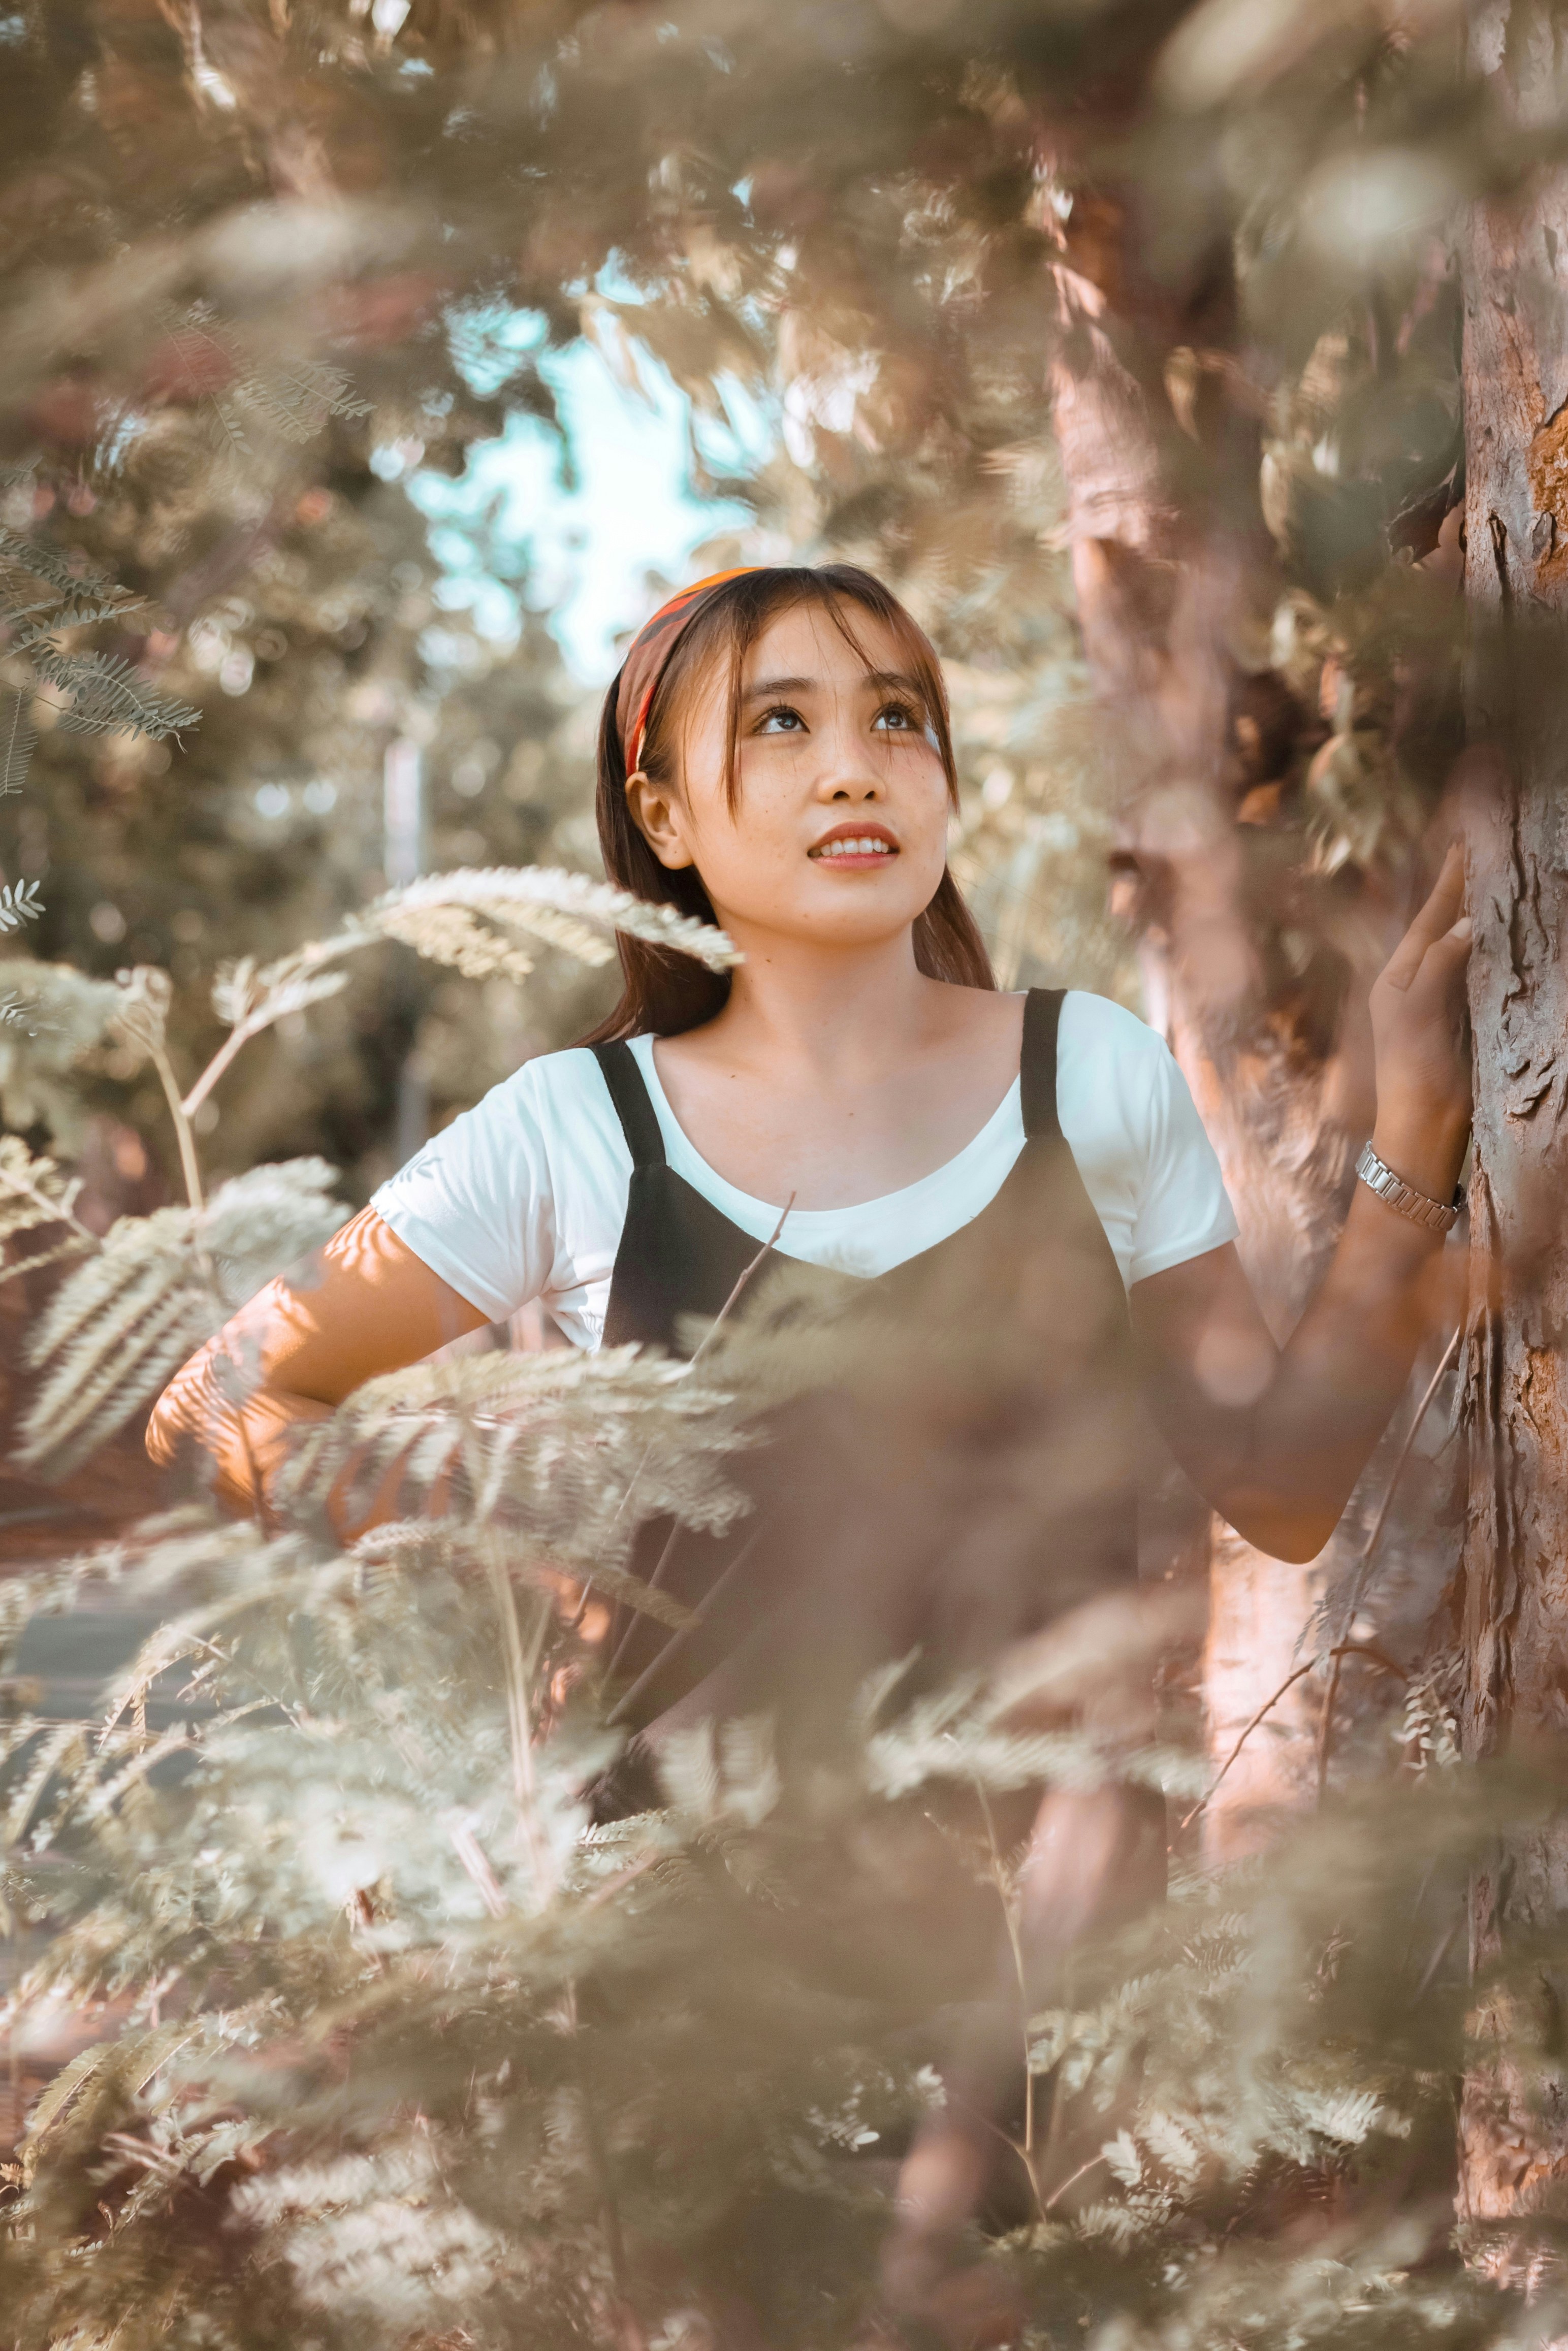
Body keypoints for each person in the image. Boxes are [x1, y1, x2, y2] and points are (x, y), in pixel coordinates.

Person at [147, 561, 1472, 2310]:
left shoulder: (1092, 1085)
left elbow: (1283, 1487)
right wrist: (479, 1576)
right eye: (781, 723)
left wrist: (1415, 1145)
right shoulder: (573, 1129)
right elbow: (226, 1404)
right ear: (665, 815)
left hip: (1048, 1985)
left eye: (896, 719)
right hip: (688, 2016)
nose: (856, 767)